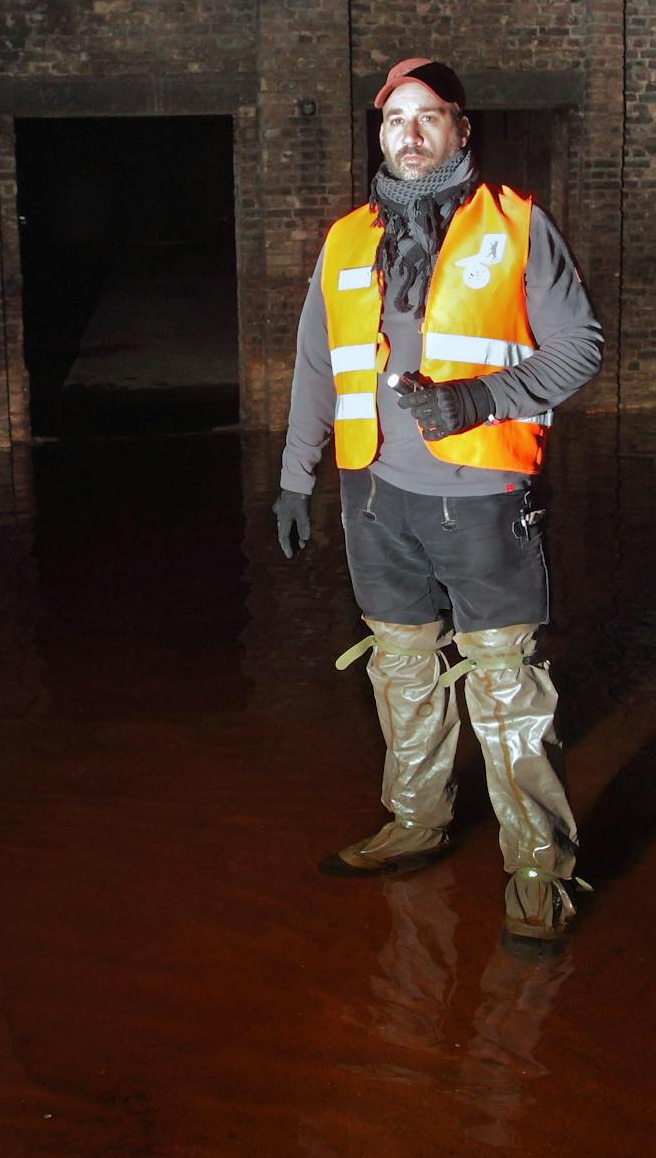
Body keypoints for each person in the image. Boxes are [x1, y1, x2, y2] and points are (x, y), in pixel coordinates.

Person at [273, 57, 602, 944]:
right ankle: (416, 821)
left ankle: (539, 870)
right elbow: (315, 366)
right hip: (376, 499)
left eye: (428, 117)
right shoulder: (347, 239)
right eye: (393, 120)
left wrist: (472, 400)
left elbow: (580, 349)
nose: (408, 134)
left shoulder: (518, 226)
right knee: (404, 673)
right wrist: (296, 476)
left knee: (507, 686)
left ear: (461, 130)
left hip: (483, 498)